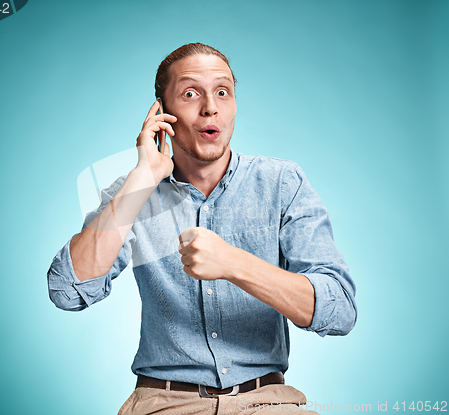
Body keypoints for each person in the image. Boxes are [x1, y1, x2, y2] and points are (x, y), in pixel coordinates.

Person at [47, 43, 357, 415]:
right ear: (163, 113)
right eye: (191, 93)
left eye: (223, 92)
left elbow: (339, 309)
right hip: (162, 403)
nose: (210, 107)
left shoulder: (281, 183)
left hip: (267, 403)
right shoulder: (132, 193)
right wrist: (143, 178)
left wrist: (234, 264)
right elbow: (67, 290)